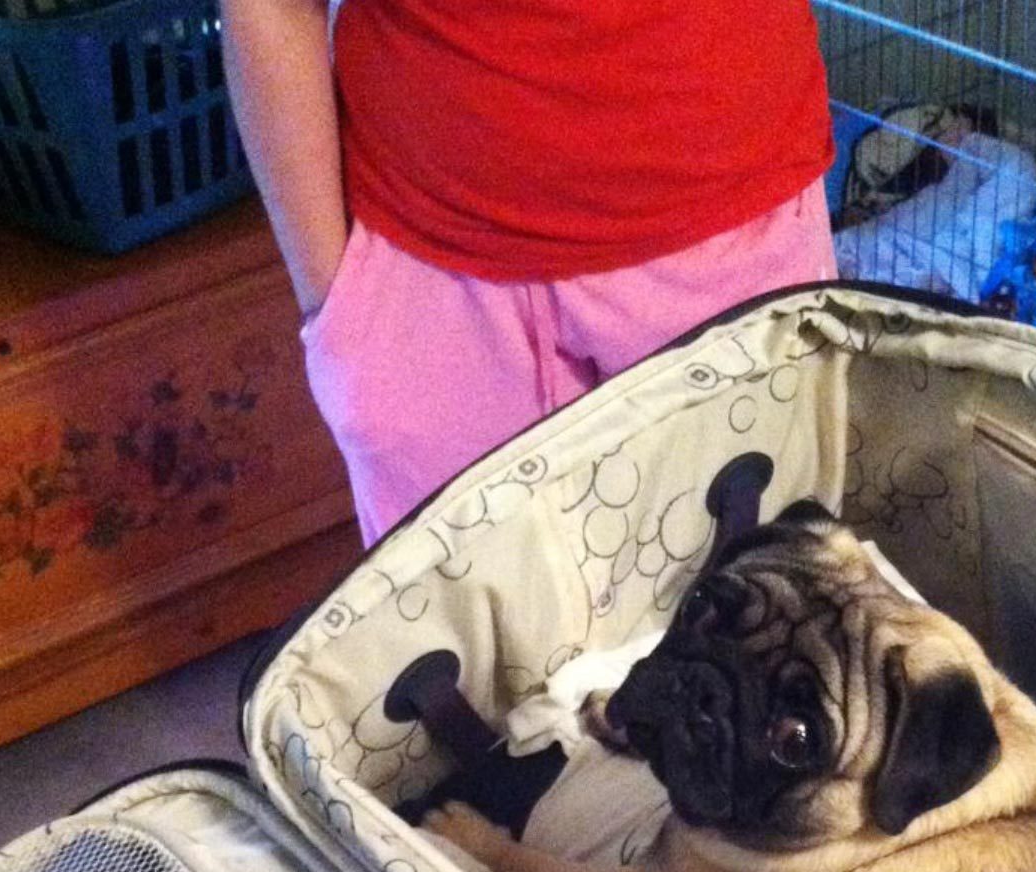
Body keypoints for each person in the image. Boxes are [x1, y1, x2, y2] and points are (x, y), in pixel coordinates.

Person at [221, 0, 837, 546]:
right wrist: (334, 307)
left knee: (750, 647)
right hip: (434, 285)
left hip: (736, 245)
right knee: (469, 662)